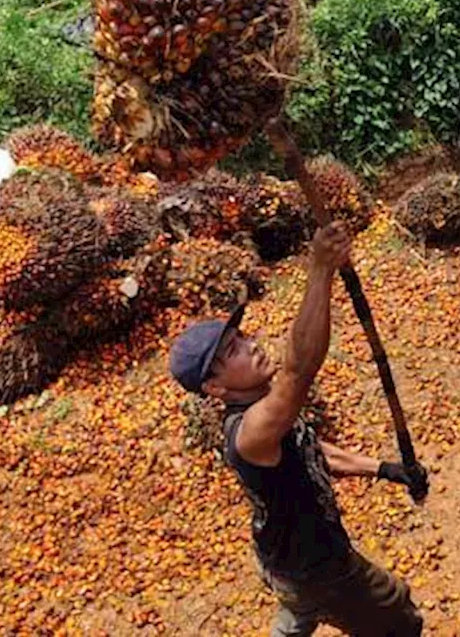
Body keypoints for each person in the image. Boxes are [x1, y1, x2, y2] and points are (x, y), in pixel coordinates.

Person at [169, 221, 426, 637]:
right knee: (399, 614)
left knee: (299, 609)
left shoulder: (269, 415)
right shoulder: (251, 431)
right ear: (214, 388)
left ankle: (295, 614)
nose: (251, 345)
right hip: (319, 569)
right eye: (233, 351)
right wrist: (320, 269)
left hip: (281, 561)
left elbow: (310, 450)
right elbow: (299, 369)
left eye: (243, 336)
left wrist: (384, 468)